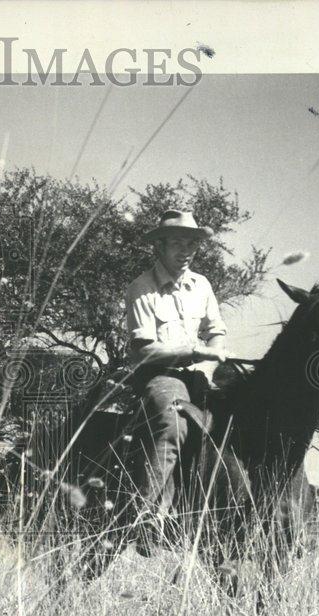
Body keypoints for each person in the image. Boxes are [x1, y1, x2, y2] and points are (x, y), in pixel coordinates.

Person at [124, 209, 228, 553]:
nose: (186, 251)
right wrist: (195, 354)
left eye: (191, 245)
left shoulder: (202, 285)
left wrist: (208, 367)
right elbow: (145, 351)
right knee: (173, 425)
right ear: (161, 246)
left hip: (200, 375)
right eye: (178, 244)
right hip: (159, 376)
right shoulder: (142, 288)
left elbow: (217, 333)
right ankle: (146, 515)